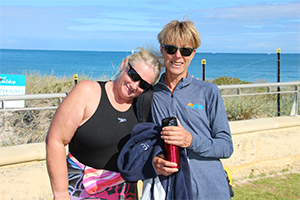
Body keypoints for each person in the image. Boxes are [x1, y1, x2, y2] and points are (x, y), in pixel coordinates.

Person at [46, 47, 163, 200]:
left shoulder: (143, 107)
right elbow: (56, 140)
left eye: (144, 85)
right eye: (133, 75)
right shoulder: (87, 92)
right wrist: (60, 193)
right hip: (78, 190)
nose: (134, 86)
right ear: (124, 65)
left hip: (124, 193)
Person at [149, 20, 234, 199]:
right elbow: (143, 141)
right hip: (170, 191)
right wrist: (153, 160)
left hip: (211, 190)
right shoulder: (149, 95)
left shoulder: (208, 91)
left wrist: (191, 140)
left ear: (193, 53)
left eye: (185, 50)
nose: (178, 56)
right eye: (171, 49)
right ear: (162, 50)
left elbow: (226, 146)